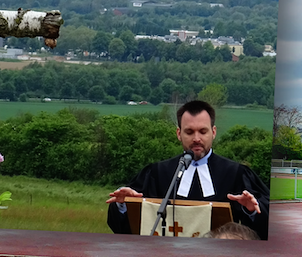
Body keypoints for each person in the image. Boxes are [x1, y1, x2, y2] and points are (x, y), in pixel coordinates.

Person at [106, 100, 270, 240]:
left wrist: (252, 211)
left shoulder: (236, 174)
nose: (196, 139)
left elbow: (265, 224)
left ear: (213, 132)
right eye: (189, 132)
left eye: (203, 131)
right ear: (179, 134)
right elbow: (128, 226)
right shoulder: (157, 173)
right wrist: (124, 205)